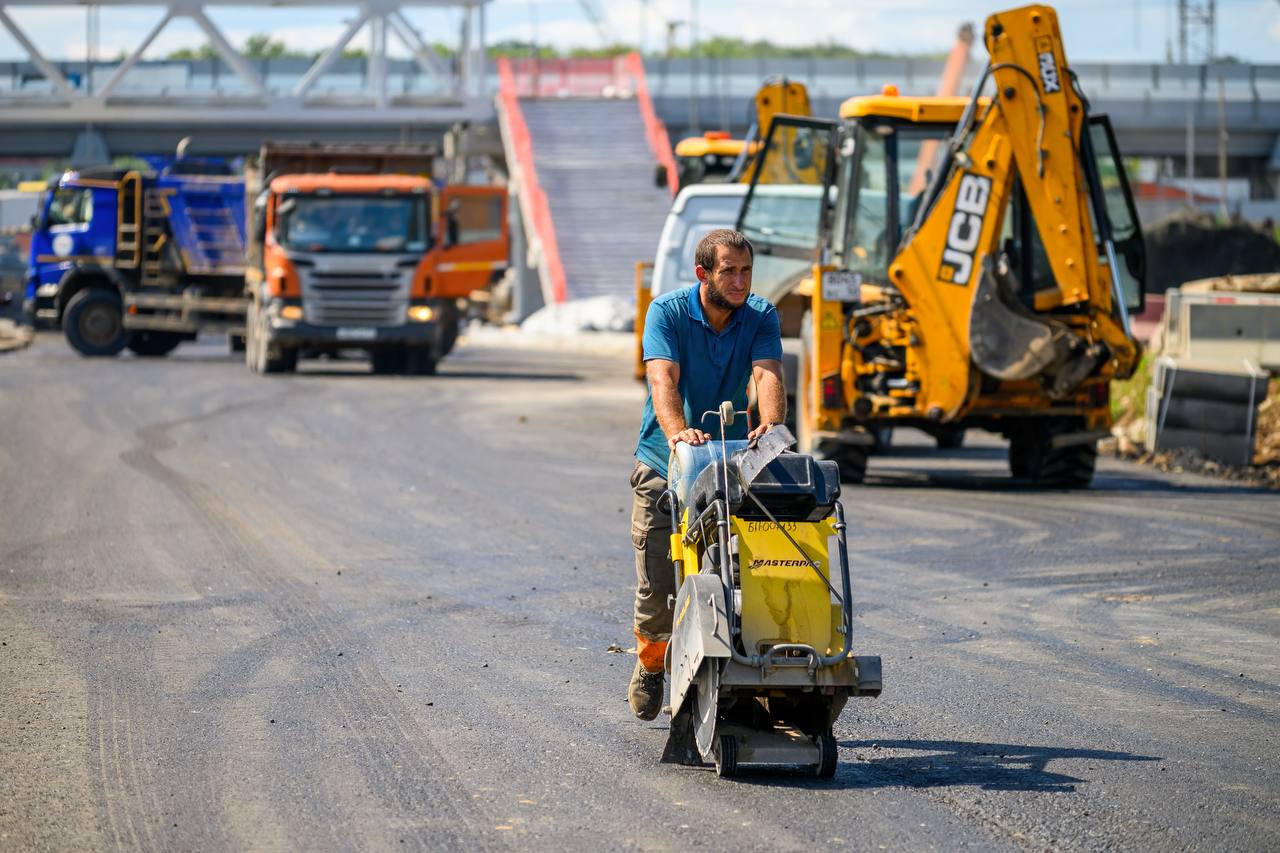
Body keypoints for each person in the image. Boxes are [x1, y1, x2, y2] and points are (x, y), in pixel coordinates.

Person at [627, 228, 786, 720]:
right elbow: (662, 377)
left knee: (752, 567)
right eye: (728, 272)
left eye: (746, 272)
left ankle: (755, 671)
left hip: (728, 459)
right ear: (703, 274)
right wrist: (678, 434)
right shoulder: (668, 312)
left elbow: (766, 373)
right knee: (658, 585)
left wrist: (771, 424)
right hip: (665, 460)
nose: (740, 283)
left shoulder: (760, 314)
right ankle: (654, 663)